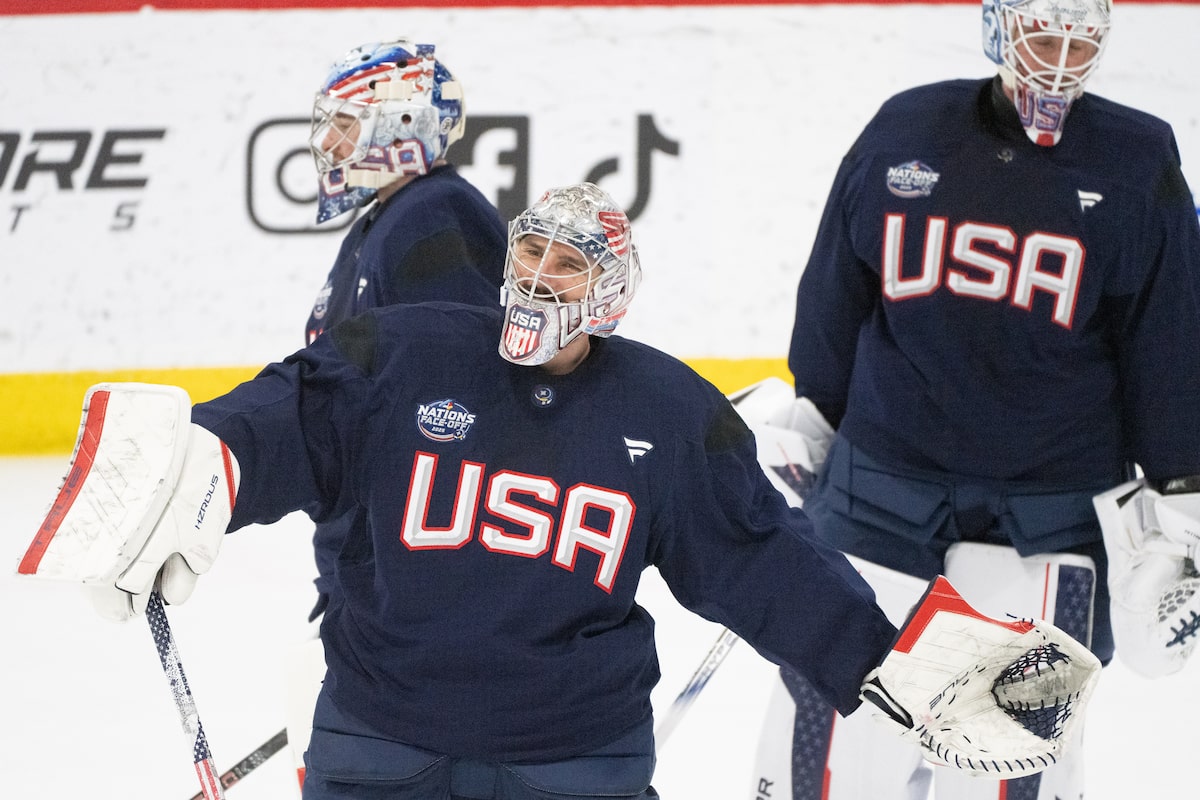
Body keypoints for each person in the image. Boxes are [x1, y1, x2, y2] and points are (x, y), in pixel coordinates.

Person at [19, 183, 1099, 800]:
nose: (539, 273)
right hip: (379, 745)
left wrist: (884, 656)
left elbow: (764, 557)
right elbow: (287, 413)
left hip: (575, 766)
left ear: (614, 293)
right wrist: (206, 464)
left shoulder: (671, 413)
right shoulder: (399, 350)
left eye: (570, 262)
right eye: (529, 247)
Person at [747, 0, 1200, 799]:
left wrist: (1180, 491)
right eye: (1042, 34)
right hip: (882, 484)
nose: (1059, 57)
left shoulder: (1136, 157)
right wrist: (814, 406)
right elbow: (837, 285)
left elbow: (1168, 337)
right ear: (999, 30)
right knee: (827, 752)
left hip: (1050, 509)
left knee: (1006, 769)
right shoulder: (908, 129)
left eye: (1077, 38)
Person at [303, 38, 507, 623]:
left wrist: (402, 556)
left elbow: (456, 398)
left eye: (345, 125)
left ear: (401, 127)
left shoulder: (434, 214)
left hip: (403, 566)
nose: (327, 143)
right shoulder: (389, 216)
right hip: (366, 550)